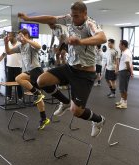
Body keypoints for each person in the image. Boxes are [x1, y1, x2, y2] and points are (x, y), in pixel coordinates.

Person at [18, 1, 107, 137]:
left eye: (77, 16)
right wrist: (28, 18)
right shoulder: (69, 18)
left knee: (76, 111)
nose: (74, 19)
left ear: (85, 14)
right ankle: (64, 101)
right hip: (69, 67)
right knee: (42, 81)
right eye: (72, 16)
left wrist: (80, 41)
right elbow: (51, 19)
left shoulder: (90, 24)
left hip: (84, 73)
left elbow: (102, 37)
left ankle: (98, 120)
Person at [5, 28, 56, 130]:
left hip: (36, 71)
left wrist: (26, 39)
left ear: (26, 35)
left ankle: (38, 93)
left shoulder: (31, 44)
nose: (18, 38)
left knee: (18, 78)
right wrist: (6, 43)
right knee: (38, 101)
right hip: (29, 72)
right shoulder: (20, 46)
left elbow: (39, 46)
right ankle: (43, 118)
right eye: (18, 36)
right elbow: (9, 52)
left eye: (20, 36)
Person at [0, 32, 23, 101]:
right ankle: (8, 96)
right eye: (8, 36)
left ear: (14, 36)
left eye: (10, 36)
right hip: (9, 66)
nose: (8, 38)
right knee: (8, 82)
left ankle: (20, 97)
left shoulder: (20, 44)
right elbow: (4, 54)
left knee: (19, 81)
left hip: (18, 66)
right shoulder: (8, 44)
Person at [116, 40, 133, 109]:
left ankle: (124, 103)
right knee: (122, 88)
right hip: (123, 71)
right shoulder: (125, 52)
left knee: (123, 89)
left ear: (123, 45)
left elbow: (128, 64)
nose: (119, 46)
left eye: (120, 45)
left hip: (125, 72)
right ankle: (122, 101)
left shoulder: (126, 53)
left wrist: (130, 72)